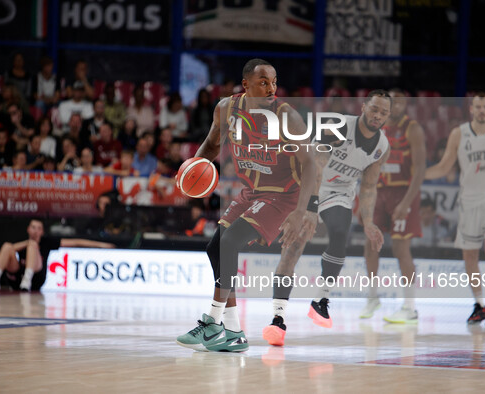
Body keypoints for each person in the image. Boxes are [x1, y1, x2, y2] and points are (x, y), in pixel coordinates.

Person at [175, 59, 318, 352]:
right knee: (214, 247)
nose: (271, 88)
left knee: (231, 240)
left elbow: (311, 165)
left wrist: (304, 210)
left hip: (284, 195)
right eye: (264, 81)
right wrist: (192, 169)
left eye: (274, 82)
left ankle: (212, 320)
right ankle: (235, 332)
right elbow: (212, 145)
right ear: (246, 85)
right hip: (252, 191)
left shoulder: (286, 116)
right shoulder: (226, 109)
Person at [262, 90, 391, 346]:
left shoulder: (382, 147)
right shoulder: (339, 126)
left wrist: (368, 221)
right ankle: (277, 318)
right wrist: (309, 209)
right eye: (374, 109)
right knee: (293, 248)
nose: (377, 115)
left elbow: (368, 187)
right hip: (307, 184)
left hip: (340, 192)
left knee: (341, 232)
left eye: (384, 112)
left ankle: (320, 300)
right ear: (363, 106)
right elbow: (316, 166)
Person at [425, 93, 485, 328]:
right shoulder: (459, 133)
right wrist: (418, 175)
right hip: (468, 200)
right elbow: (445, 165)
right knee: (469, 254)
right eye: (478, 106)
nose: (481, 110)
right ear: (471, 108)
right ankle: (479, 305)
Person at [360, 88, 426, 323]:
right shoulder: (377, 127)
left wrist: (407, 201)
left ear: (405, 105)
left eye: (399, 102)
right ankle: (372, 296)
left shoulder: (412, 128)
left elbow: (420, 169)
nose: (395, 106)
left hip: (402, 192)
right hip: (378, 191)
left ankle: (410, 306)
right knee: (370, 244)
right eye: (392, 102)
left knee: (400, 248)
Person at [0, 219, 114, 292]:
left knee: (32, 246)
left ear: (42, 231)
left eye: (39, 228)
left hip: (36, 279)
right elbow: (8, 250)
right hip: (17, 278)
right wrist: (27, 242)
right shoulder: (24, 241)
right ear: (28, 229)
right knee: (8, 246)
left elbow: (76, 242)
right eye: (33, 227)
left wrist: (102, 245)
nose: (36, 230)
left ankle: (27, 279)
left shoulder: (47, 242)